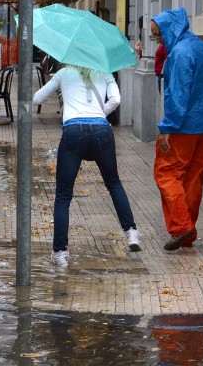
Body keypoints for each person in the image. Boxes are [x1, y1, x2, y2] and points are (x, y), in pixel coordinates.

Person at [33, 64, 142, 267]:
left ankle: (60, 253)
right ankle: (132, 233)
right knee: (113, 183)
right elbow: (116, 99)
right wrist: (99, 112)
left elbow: (37, 99)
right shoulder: (104, 71)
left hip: (73, 131)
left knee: (64, 195)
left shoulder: (64, 73)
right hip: (101, 131)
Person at [150, 7, 203, 251]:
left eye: (158, 35)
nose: (158, 40)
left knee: (167, 173)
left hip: (184, 125)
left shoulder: (180, 53)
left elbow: (178, 94)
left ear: (169, 29)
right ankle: (188, 232)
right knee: (193, 177)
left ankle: (182, 227)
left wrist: (168, 126)